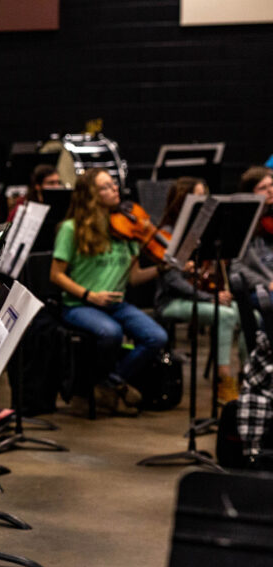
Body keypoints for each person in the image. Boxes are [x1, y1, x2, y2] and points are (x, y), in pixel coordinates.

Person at [49, 168, 168, 415]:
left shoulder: (127, 229)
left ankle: (107, 384)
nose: (115, 189)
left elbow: (134, 278)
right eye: (106, 186)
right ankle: (115, 387)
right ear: (90, 194)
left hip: (116, 304)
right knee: (110, 333)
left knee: (156, 337)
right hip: (79, 304)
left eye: (114, 185)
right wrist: (89, 295)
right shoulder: (71, 229)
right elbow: (56, 275)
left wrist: (162, 268)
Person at [155, 177, 241, 403]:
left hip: (200, 296)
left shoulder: (203, 234)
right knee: (225, 314)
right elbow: (174, 282)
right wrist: (210, 297)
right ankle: (224, 379)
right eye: (198, 198)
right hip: (172, 301)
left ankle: (248, 376)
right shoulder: (167, 233)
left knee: (246, 314)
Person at [230, 166, 273, 295]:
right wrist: (268, 283)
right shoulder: (242, 224)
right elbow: (236, 268)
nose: (270, 191)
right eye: (262, 188)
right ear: (250, 193)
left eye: (271, 185)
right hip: (260, 289)